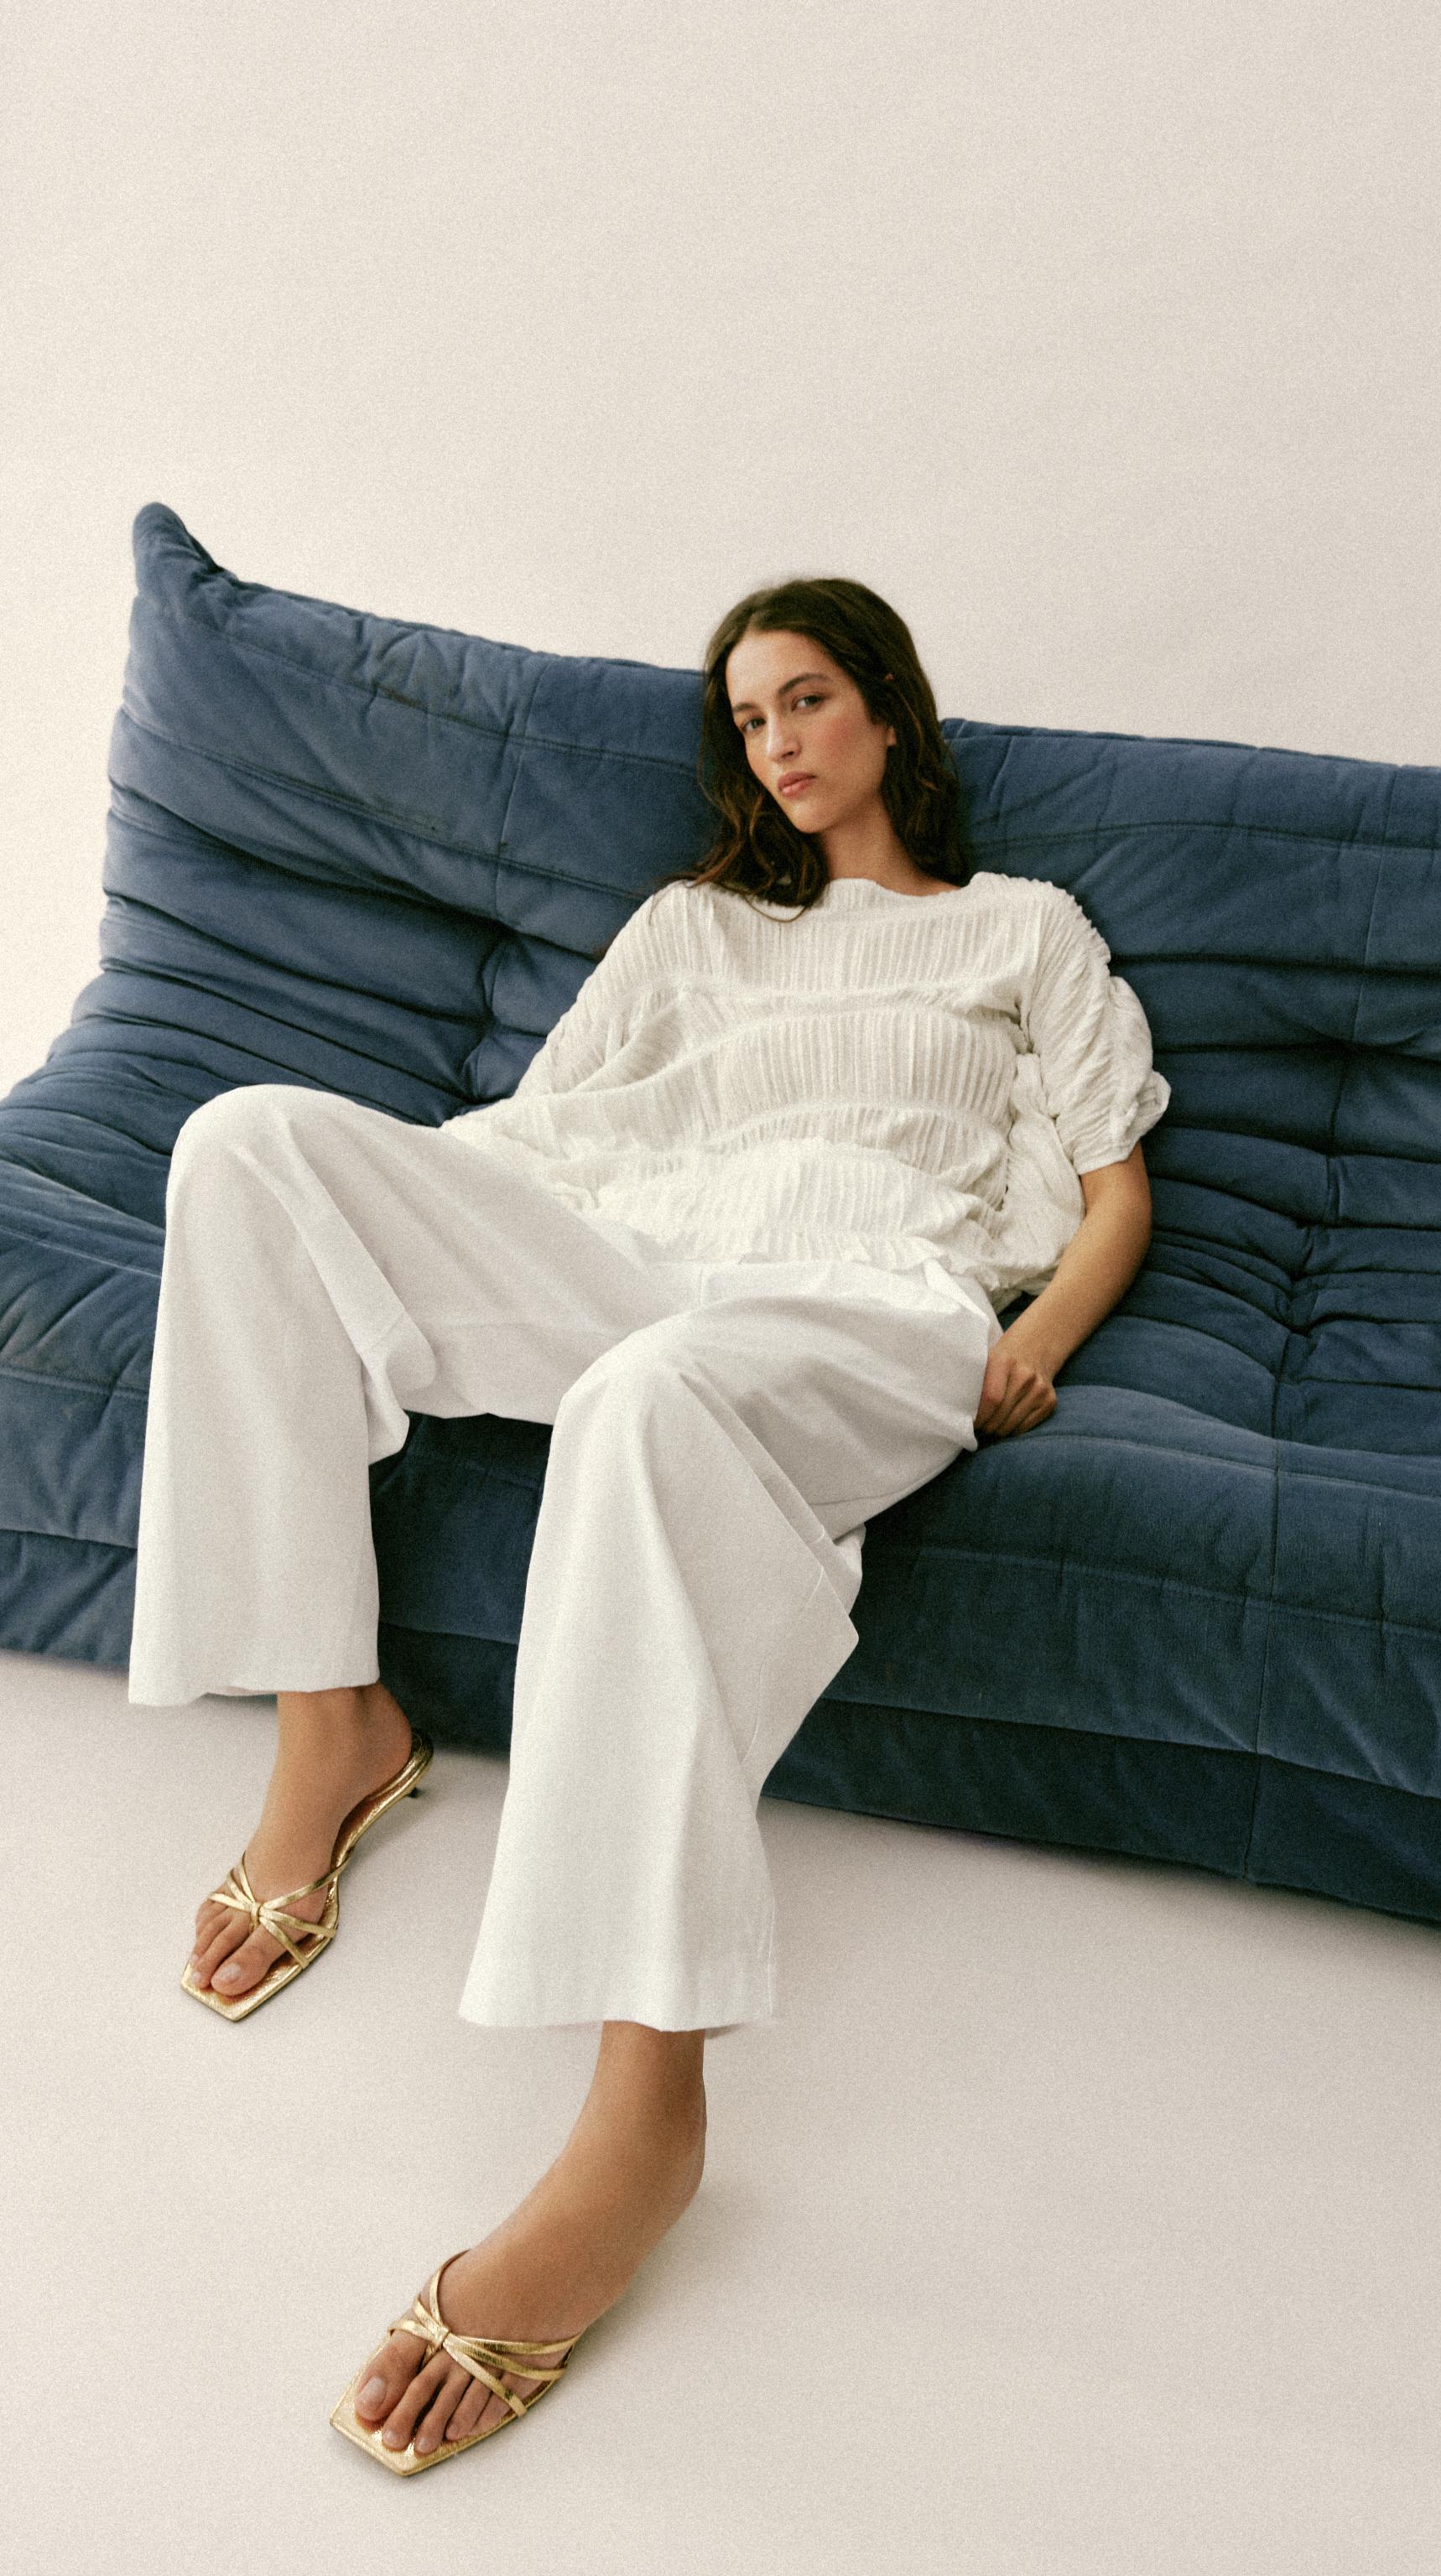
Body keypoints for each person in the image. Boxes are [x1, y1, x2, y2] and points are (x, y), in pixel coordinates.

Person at [127, 574, 1170, 2475]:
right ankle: (329, 1724)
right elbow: (551, 1125)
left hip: (866, 1294)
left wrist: (1034, 1341)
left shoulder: (1020, 929)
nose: (777, 744)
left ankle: (642, 2114)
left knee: (646, 1398)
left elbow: (1115, 1188)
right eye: (748, 719)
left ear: (888, 712)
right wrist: (408, 1227)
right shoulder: (690, 928)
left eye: (807, 699)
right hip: (637, 1246)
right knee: (245, 1145)